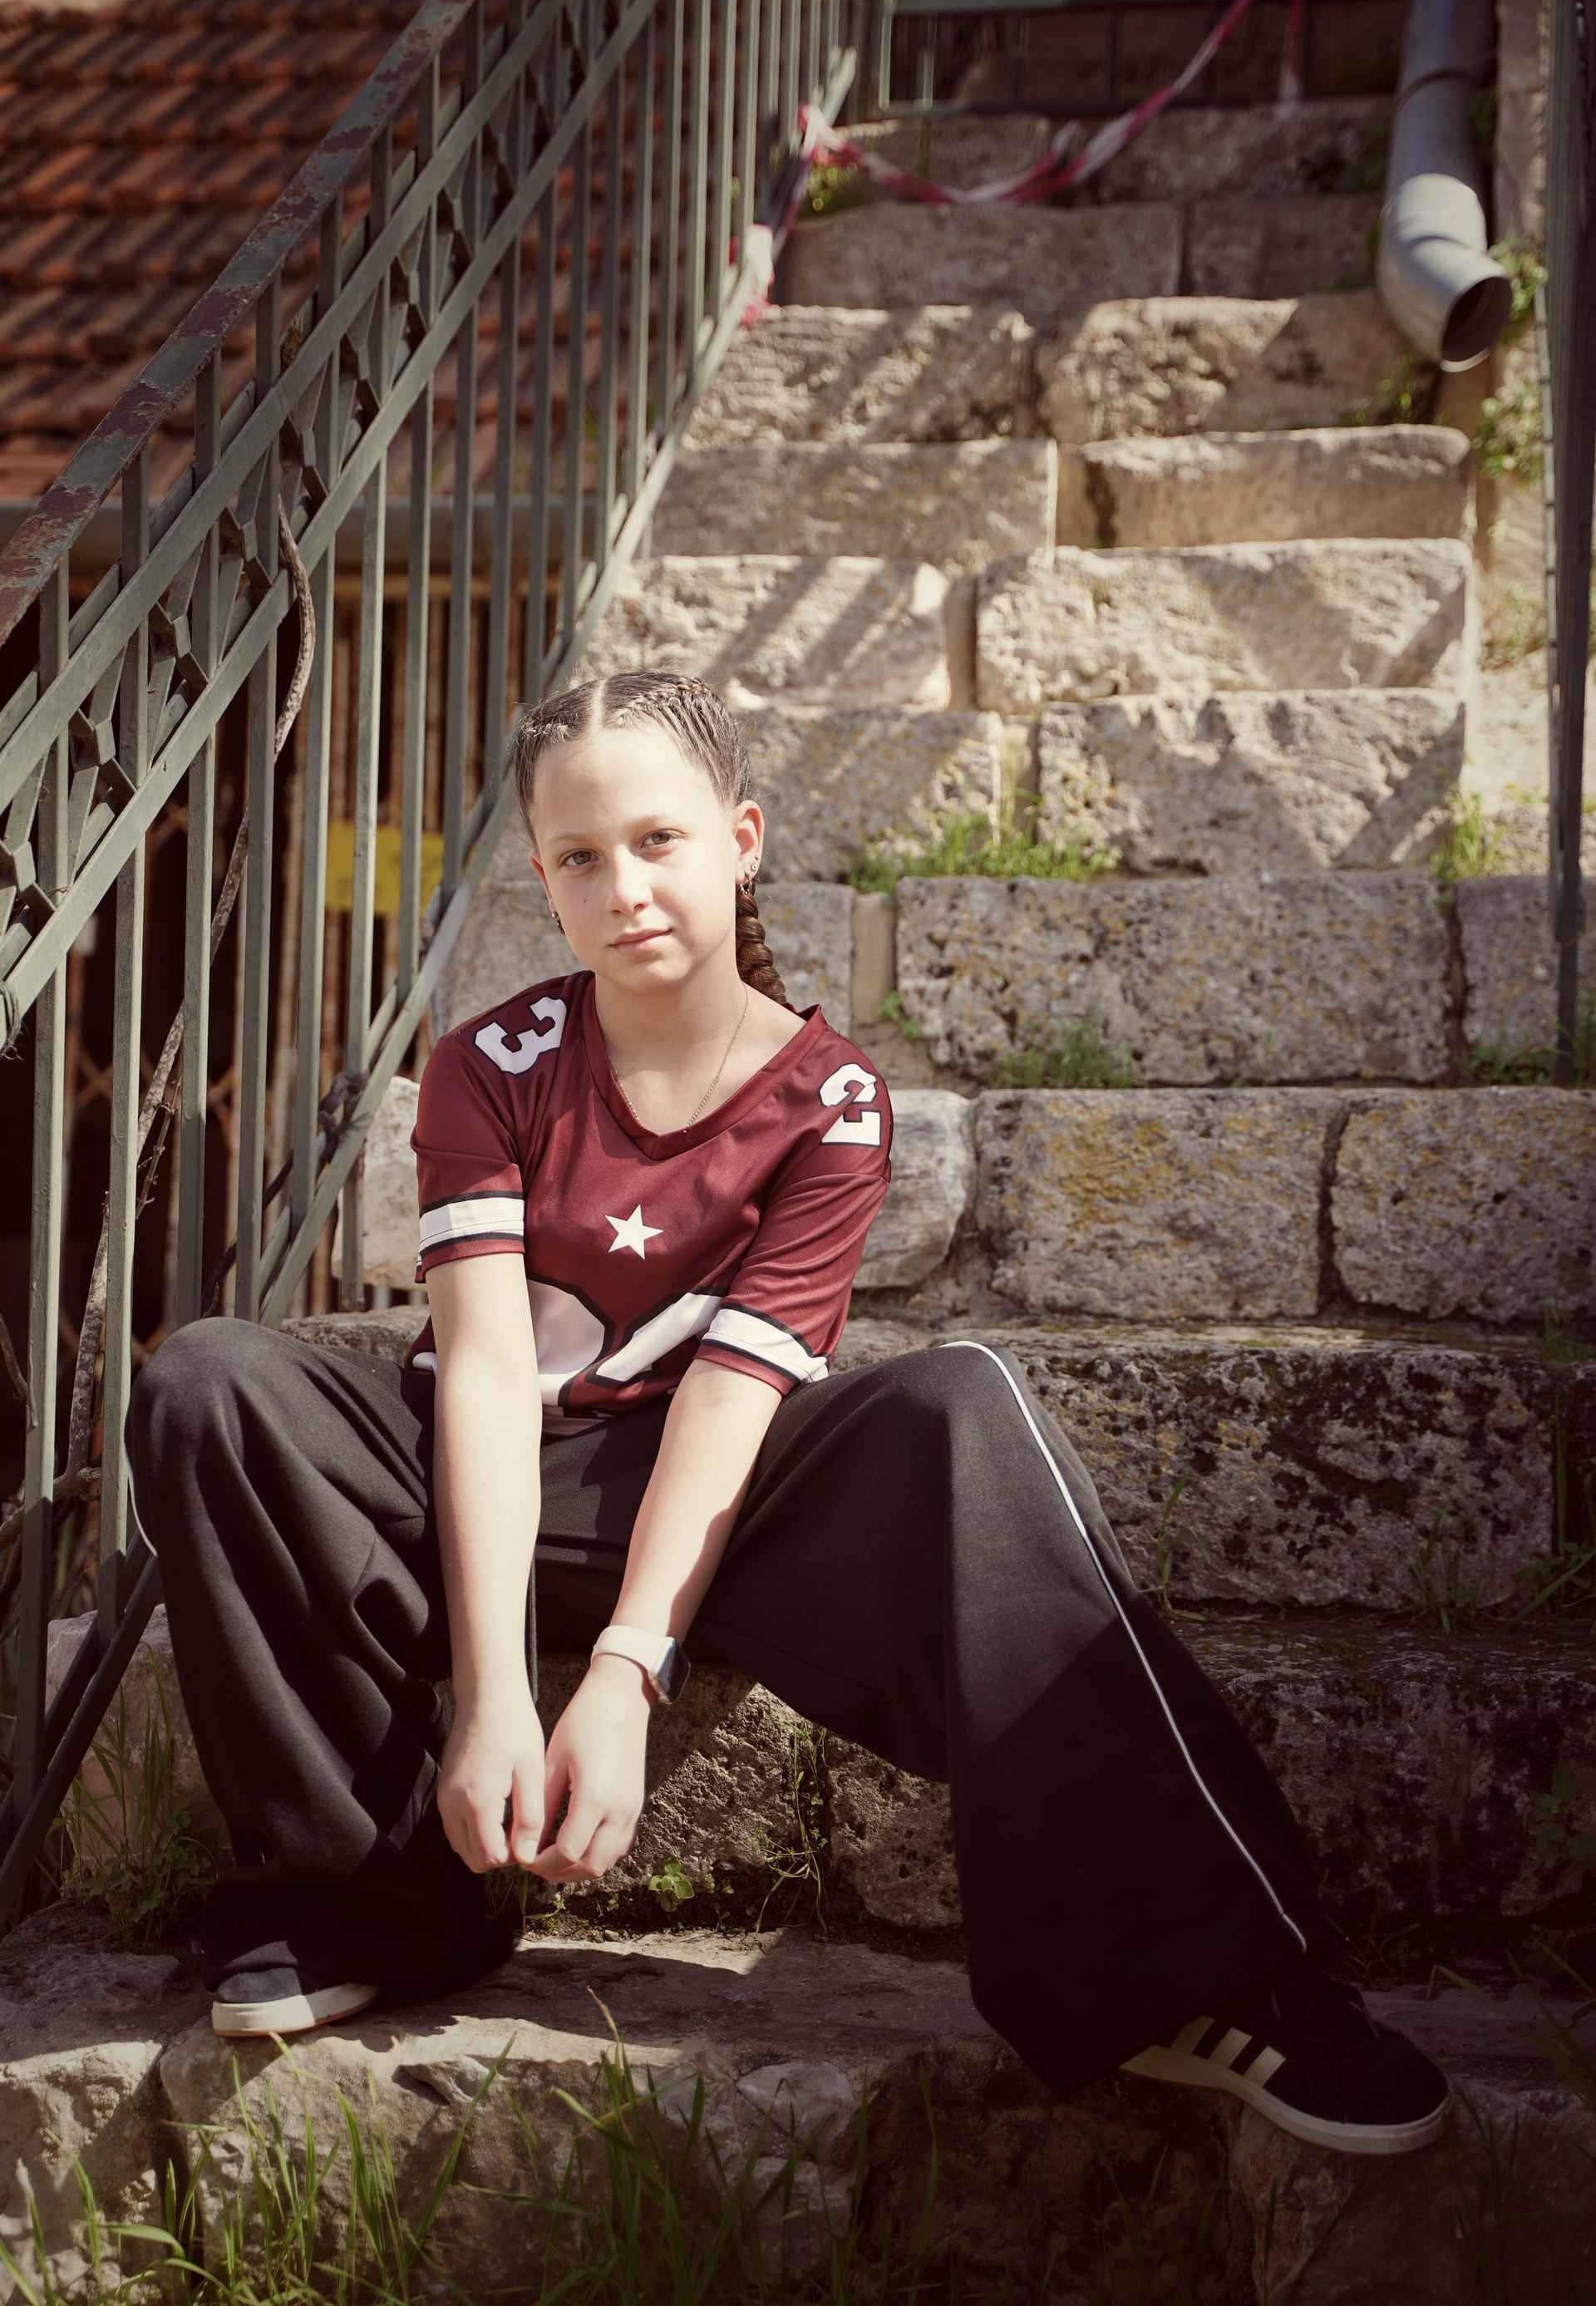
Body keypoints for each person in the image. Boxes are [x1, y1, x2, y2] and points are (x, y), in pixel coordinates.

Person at [128, 669, 1449, 2157]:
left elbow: (732, 1394)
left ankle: (1199, 1975)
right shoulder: (487, 1067)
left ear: (742, 838)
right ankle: (372, 1901)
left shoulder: (831, 1099)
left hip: (715, 1499)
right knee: (210, 1379)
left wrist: (625, 1673)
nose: (623, 888)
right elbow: (486, 1372)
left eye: (659, 840)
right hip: (479, 1482)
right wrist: (497, 1697)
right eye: (579, 857)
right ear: (544, 881)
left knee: (964, 1401)